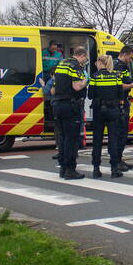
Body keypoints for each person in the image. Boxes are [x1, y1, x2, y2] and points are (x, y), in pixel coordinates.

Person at [51, 46, 90, 179]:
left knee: (62, 138)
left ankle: (62, 168)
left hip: (57, 104)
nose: (85, 61)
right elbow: (77, 86)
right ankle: (70, 170)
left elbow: (53, 90)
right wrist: (86, 80)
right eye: (85, 59)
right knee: (71, 139)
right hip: (70, 105)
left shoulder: (61, 65)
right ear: (82, 56)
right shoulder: (76, 66)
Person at [89, 54, 124, 178]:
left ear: (100, 63)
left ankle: (96, 169)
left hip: (99, 111)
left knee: (97, 140)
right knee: (113, 140)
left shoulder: (95, 77)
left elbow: (90, 95)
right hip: (113, 110)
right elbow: (121, 94)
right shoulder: (116, 76)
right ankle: (114, 169)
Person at [112, 45, 133, 171]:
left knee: (123, 133)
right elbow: (119, 85)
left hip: (122, 102)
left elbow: (125, 80)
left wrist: (131, 83)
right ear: (124, 54)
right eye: (130, 57)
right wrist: (132, 85)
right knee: (121, 133)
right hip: (120, 103)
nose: (130, 60)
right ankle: (117, 161)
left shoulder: (121, 66)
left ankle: (119, 159)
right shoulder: (118, 66)